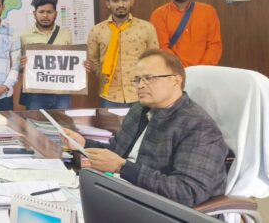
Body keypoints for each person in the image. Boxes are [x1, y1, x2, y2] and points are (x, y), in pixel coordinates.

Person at [64, 49, 228, 207]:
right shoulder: (139, 109)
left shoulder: (198, 127)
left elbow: (187, 192)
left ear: (176, 80)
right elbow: (117, 150)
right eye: (137, 79)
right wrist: (83, 144)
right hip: (122, 193)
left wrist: (122, 167)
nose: (140, 85)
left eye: (149, 78)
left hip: (157, 210)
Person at [88, 0, 159, 108]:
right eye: (115, 0)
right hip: (109, 95)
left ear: (132, 2)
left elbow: (154, 58)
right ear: (108, 4)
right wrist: (103, 76)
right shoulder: (97, 30)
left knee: (142, 128)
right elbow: (93, 59)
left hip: (141, 92)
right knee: (112, 128)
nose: (120, 4)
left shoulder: (146, 28)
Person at [150, 0, 222, 67]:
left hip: (204, 71)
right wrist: (181, 69)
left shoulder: (209, 11)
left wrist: (202, 69)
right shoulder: (158, 14)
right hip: (173, 71)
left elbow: (214, 45)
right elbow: (162, 47)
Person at [19, 0, 77, 109]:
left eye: (49, 12)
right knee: (35, 124)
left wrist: (80, 65)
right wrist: (22, 64)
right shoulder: (24, 36)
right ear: (35, 14)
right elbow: (19, 66)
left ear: (56, 14)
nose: (45, 16)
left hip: (62, 93)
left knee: (62, 123)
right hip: (35, 93)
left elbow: (71, 63)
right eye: (41, 12)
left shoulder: (66, 34)